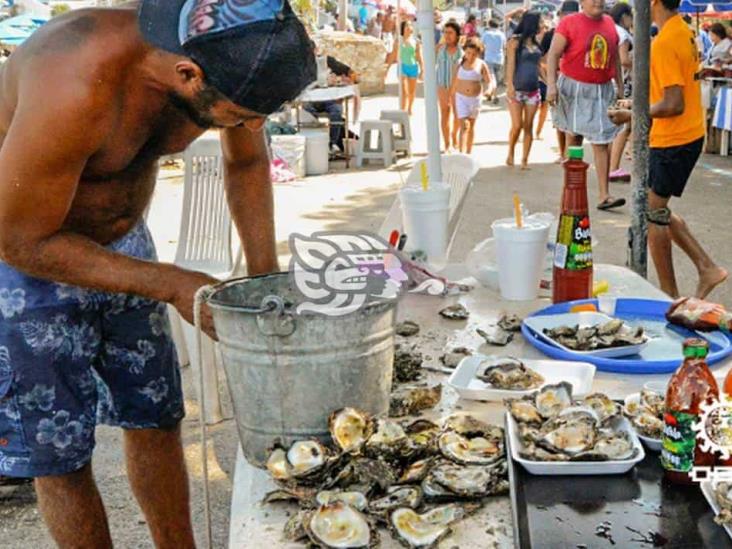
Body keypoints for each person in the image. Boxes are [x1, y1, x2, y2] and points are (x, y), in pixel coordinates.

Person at [0, 1, 315, 546]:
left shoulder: (221, 54)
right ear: (188, 76)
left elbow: (245, 162)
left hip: (126, 247)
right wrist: (170, 282)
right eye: (244, 116)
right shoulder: (73, 78)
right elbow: (19, 238)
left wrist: (265, 283)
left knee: (156, 417)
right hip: (25, 266)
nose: (253, 127)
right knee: (63, 454)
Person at [609, 0, 727, 299]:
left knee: (653, 214)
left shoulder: (665, 42)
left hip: (675, 138)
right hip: (683, 134)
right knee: (656, 209)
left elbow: (673, 104)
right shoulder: (682, 31)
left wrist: (633, 114)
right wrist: (636, 104)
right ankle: (706, 267)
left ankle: (669, 294)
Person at [546, 0, 625, 211]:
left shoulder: (609, 23)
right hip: (574, 89)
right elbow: (553, 54)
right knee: (574, 138)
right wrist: (551, 85)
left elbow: (615, 58)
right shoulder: (569, 23)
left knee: (601, 141)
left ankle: (604, 195)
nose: (597, 2)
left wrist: (620, 86)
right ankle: (570, 191)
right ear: (582, 2)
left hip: (601, 90)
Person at [541, 0, 580, 162]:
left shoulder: (582, 31)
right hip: (559, 83)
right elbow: (544, 58)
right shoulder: (552, 34)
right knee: (561, 124)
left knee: (574, 129)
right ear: (562, 15)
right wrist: (550, 80)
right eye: (566, 15)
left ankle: (571, 159)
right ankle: (565, 155)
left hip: (576, 84)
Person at [505, 11, 545, 169]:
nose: (541, 25)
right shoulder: (514, 42)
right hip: (517, 89)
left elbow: (539, 66)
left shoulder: (536, 45)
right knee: (517, 125)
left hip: (533, 90)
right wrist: (510, 86)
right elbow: (510, 65)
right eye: (539, 22)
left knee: (528, 126)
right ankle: (511, 152)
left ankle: (524, 160)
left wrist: (548, 81)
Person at [451, 37, 492, 154]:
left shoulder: (481, 64)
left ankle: (469, 152)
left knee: (471, 126)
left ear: (478, 54)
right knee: (464, 125)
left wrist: (489, 90)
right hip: (461, 98)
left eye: (474, 54)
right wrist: (451, 98)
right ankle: (461, 153)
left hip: (475, 99)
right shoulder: (459, 64)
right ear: (465, 51)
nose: (471, 56)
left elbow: (489, 81)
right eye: (468, 53)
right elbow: (454, 82)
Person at [608, 1, 633, 183]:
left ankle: (611, 166)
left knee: (616, 125)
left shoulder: (608, 29)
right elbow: (623, 60)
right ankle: (614, 167)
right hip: (622, 82)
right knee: (624, 125)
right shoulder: (623, 34)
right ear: (624, 17)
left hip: (608, 81)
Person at [436, 20, 463, 151]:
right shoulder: (439, 49)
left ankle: (454, 135)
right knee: (444, 113)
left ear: (457, 35)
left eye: (450, 33)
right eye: (445, 32)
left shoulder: (461, 52)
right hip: (442, 85)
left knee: (458, 115)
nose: (447, 35)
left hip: (457, 87)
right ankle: (446, 143)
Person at [400, 20, 423, 115]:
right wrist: (387, 69)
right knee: (404, 91)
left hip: (413, 67)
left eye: (410, 25)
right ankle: (402, 110)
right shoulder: (399, 40)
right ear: (403, 28)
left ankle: (409, 108)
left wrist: (423, 69)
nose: (409, 27)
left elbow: (419, 55)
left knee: (412, 91)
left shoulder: (416, 41)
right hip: (403, 66)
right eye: (407, 25)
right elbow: (393, 54)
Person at [482, 19, 506, 104]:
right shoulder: (501, 34)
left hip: (489, 58)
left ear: (489, 25)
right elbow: (504, 46)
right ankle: (492, 95)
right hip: (499, 59)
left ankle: (494, 95)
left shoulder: (486, 34)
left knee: (491, 78)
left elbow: (481, 45)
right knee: (495, 77)